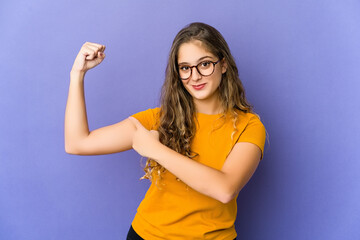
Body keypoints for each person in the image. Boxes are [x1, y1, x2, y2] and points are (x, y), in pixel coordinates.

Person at [65, 22, 266, 240]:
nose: (195, 76)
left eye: (205, 64)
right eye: (185, 68)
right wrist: (77, 75)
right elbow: (77, 143)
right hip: (147, 235)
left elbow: (225, 189)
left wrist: (155, 149)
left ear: (223, 64)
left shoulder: (249, 126)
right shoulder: (158, 119)